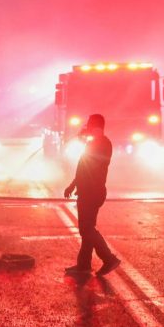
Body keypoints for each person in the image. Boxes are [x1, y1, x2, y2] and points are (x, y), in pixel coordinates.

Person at [63, 113, 120, 277]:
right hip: (88, 191)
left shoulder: (102, 144)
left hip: (92, 192)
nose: (86, 127)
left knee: (86, 229)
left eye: (89, 124)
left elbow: (89, 167)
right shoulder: (95, 143)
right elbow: (83, 168)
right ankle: (84, 265)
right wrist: (73, 185)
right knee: (86, 229)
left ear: (96, 127)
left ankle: (108, 258)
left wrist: (86, 140)